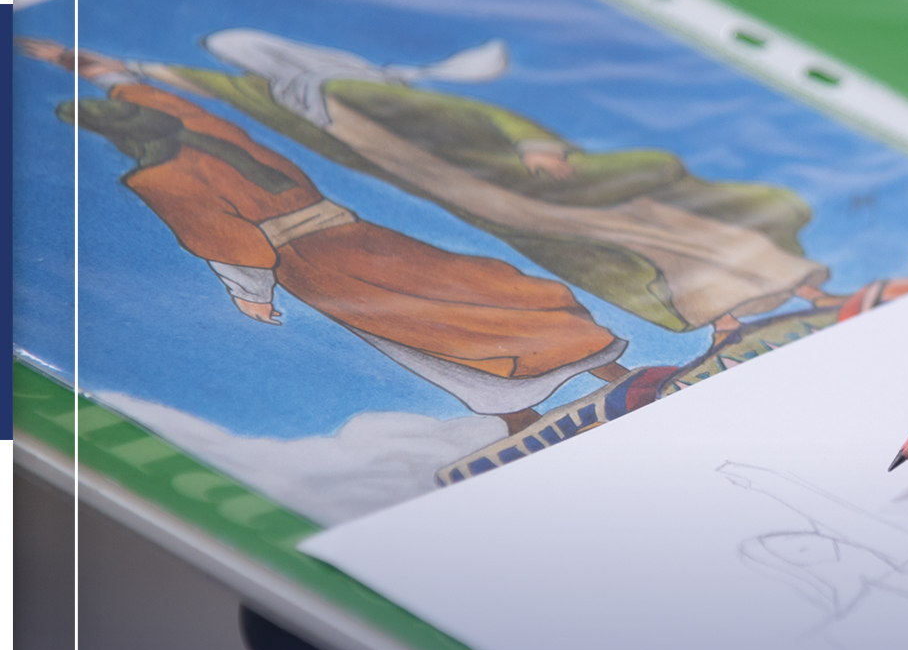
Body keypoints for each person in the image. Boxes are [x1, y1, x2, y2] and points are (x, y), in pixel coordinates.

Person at [23, 40, 632, 433]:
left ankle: (522, 414)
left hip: (314, 264)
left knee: (426, 334)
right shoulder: (207, 129)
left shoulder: (160, 176)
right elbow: (157, 97)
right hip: (357, 232)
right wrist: (86, 66)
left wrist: (251, 295)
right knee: (483, 290)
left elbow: (225, 240)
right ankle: (599, 372)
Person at [114, 28, 839, 338]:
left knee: (657, 222)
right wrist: (114, 66)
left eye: (255, 62)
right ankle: (725, 319)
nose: (252, 73)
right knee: (600, 257)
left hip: (531, 181)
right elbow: (209, 85)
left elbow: (485, 113)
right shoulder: (291, 103)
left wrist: (538, 146)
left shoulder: (361, 88)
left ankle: (806, 290)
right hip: (481, 198)